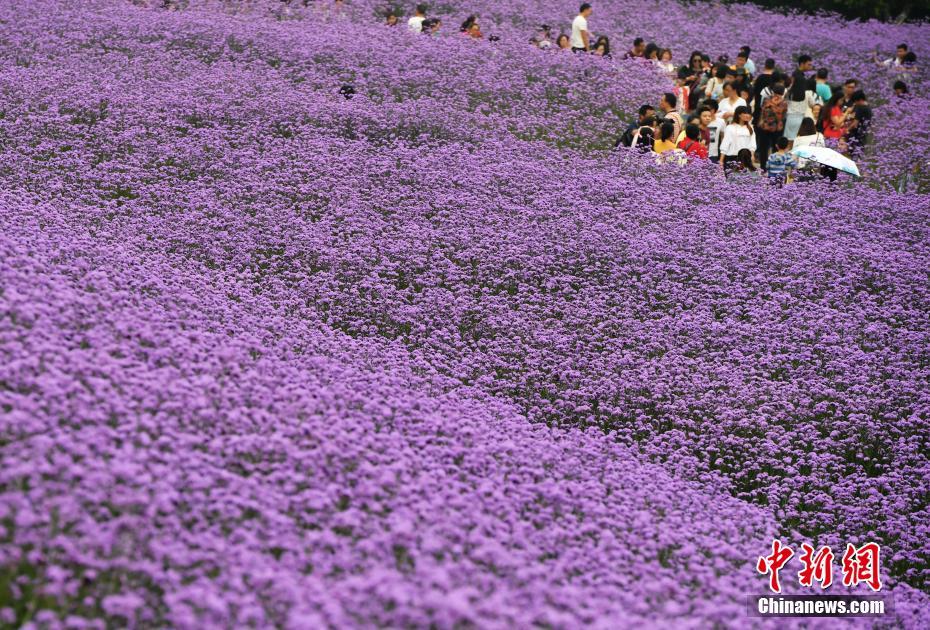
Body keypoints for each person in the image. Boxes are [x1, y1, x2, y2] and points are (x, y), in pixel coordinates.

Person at [757, 84, 787, 170]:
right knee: (774, 147)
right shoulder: (783, 102)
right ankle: (774, 165)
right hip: (775, 128)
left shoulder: (767, 100)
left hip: (766, 127)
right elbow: (783, 116)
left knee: (765, 148)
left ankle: (764, 167)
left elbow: (762, 111)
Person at [719, 105, 756, 174]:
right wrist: (721, 161)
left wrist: (752, 155)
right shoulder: (730, 128)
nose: (748, 115)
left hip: (746, 158)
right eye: (745, 113)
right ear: (739, 115)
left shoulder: (750, 128)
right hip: (732, 157)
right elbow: (725, 144)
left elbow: (752, 144)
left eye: (749, 113)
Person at [785, 70, 819, 142]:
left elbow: (785, 104)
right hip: (801, 119)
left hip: (790, 118)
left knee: (789, 141)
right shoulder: (807, 93)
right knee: (799, 140)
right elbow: (813, 104)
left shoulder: (789, 93)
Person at [846, 90, 871, 156]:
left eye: (856, 101)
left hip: (856, 135)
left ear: (860, 100)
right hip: (864, 133)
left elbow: (855, 124)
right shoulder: (868, 107)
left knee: (854, 153)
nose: (855, 103)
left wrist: (847, 129)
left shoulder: (860, 108)